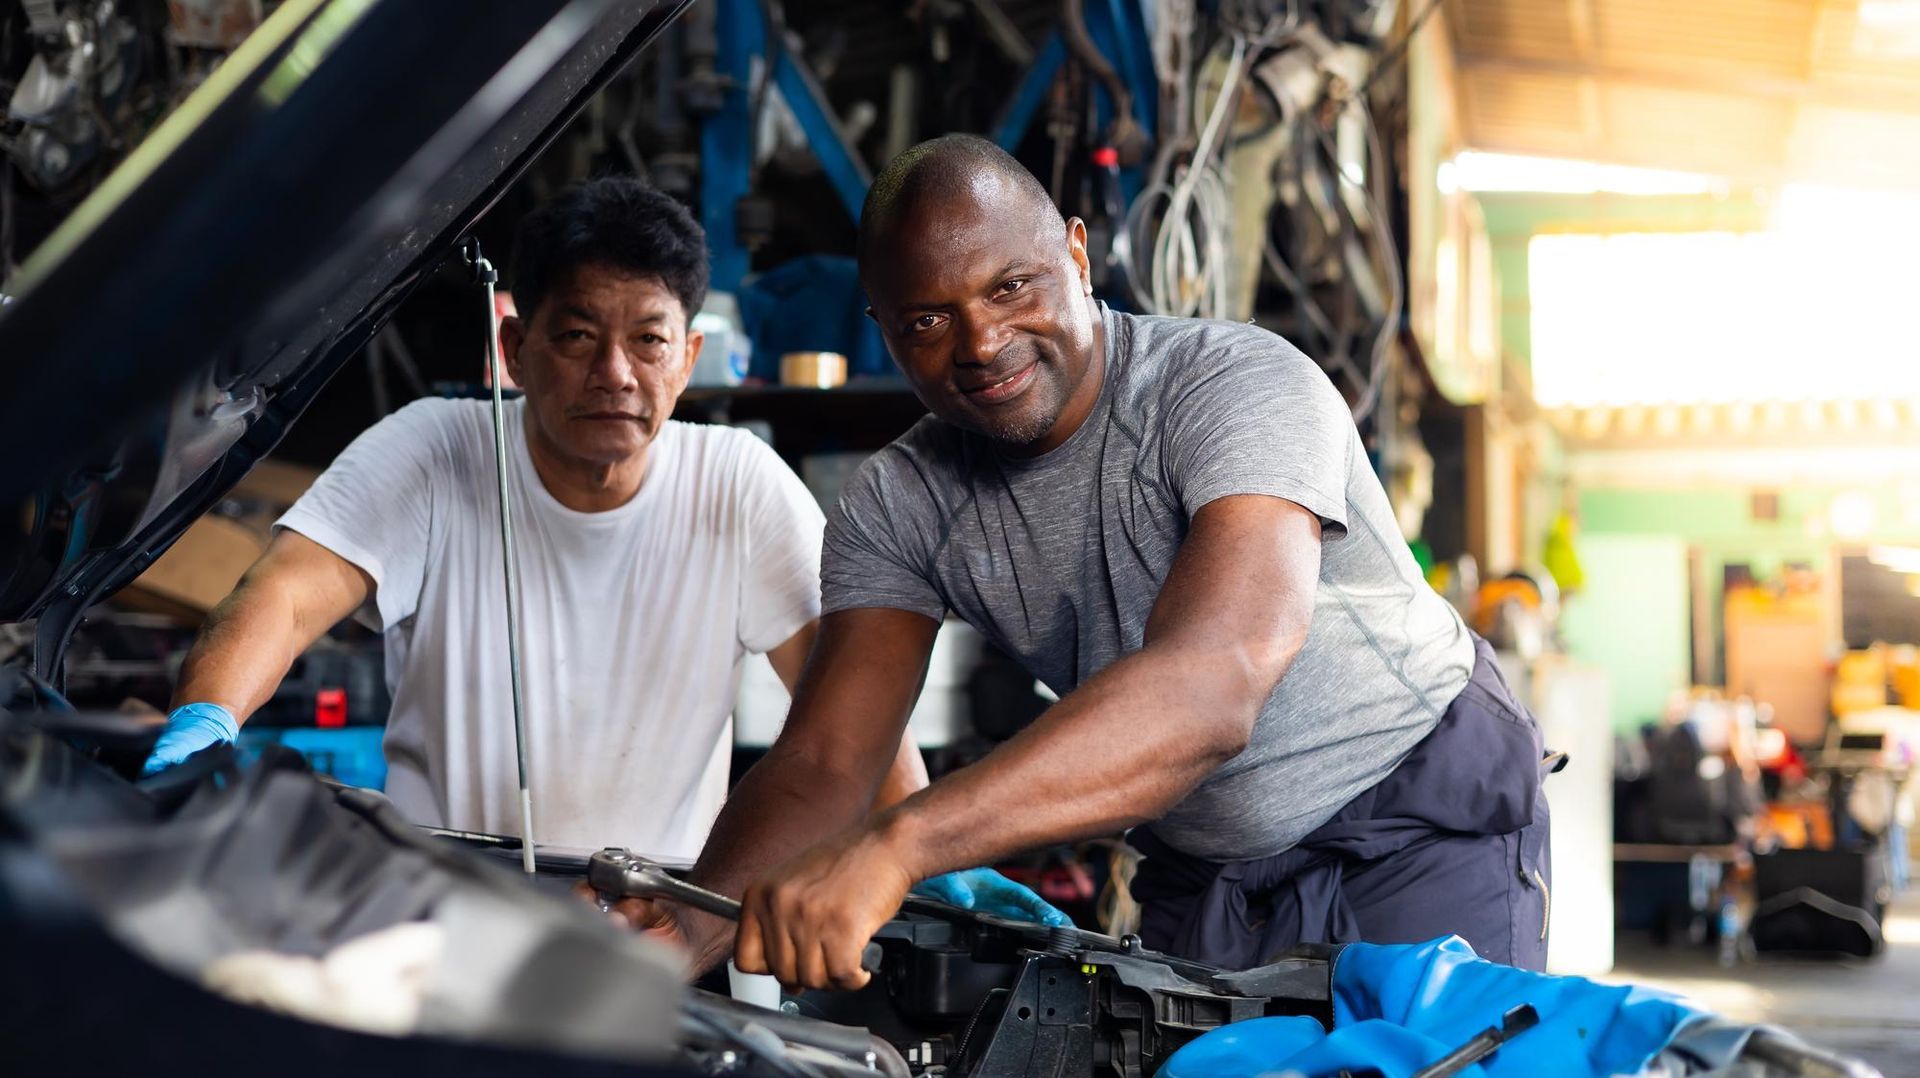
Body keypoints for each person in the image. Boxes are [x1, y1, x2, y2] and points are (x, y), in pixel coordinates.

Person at [609, 136, 1552, 987]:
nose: (982, 343)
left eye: (1010, 287)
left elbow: (1212, 685)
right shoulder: (900, 501)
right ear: (883, 327)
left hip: (1411, 817)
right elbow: (827, 760)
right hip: (1207, 866)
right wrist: (691, 922)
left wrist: (902, 845)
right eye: (927, 322)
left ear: (1076, 251)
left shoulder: (1233, 385)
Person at [138, 176, 1068, 922]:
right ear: (514, 345)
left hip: (658, 915)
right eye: (578, 336)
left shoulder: (738, 483)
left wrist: (915, 855)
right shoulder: (432, 449)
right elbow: (285, 594)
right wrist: (205, 723)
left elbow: (845, 714)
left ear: (689, 357)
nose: (614, 374)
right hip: (431, 906)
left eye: (648, 341)